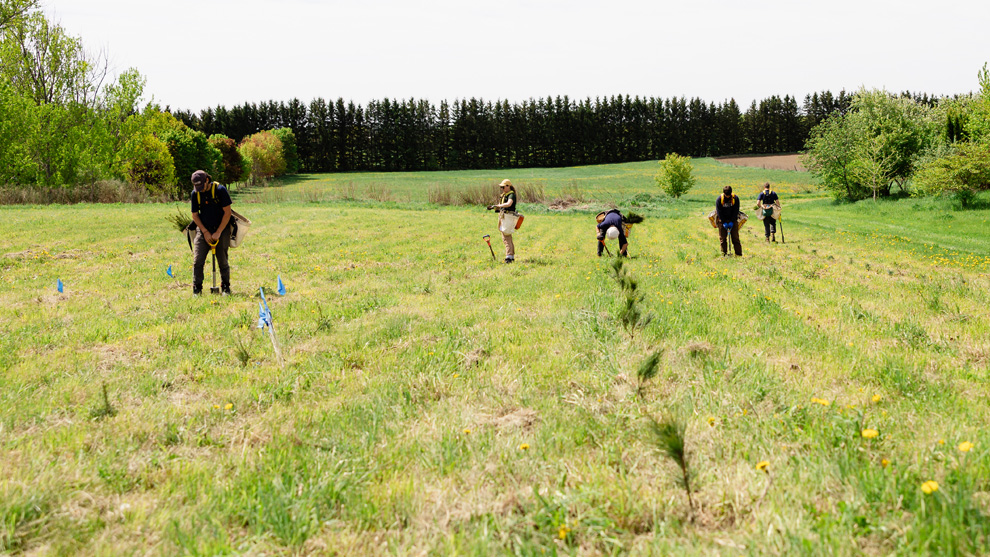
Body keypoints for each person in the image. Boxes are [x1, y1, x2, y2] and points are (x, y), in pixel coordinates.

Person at [190, 170, 233, 294]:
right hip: (204, 230)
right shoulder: (195, 194)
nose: (199, 189)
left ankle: (226, 287)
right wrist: (205, 232)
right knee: (197, 260)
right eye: (196, 187)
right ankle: (197, 289)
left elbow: (227, 213)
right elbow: (195, 215)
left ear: (207, 180)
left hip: (221, 229)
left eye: (201, 186)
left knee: (222, 260)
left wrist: (218, 232)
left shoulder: (220, 190)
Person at [487, 179, 517, 263]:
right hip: (505, 216)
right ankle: (511, 256)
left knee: (506, 236)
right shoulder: (505, 194)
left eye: (503, 187)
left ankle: (509, 257)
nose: (502, 188)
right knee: (507, 237)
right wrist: (495, 207)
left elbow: (509, 204)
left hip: (508, 216)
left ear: (508, 186)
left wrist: (498, 205)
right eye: (501, 187)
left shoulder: (511, 195)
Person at [715, 185, 743, 256]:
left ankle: (738, 254)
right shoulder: (719, 199)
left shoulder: (735, 198)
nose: (728, 197)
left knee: (735, 238)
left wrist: (732, 221)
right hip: (722, 221)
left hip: (733, 220)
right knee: (723, 239)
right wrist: (723, 222)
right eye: (726, 195)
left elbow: (736, 211)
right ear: (724, 193)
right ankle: (724, 254)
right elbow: (719, 212)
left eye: (729, 195)